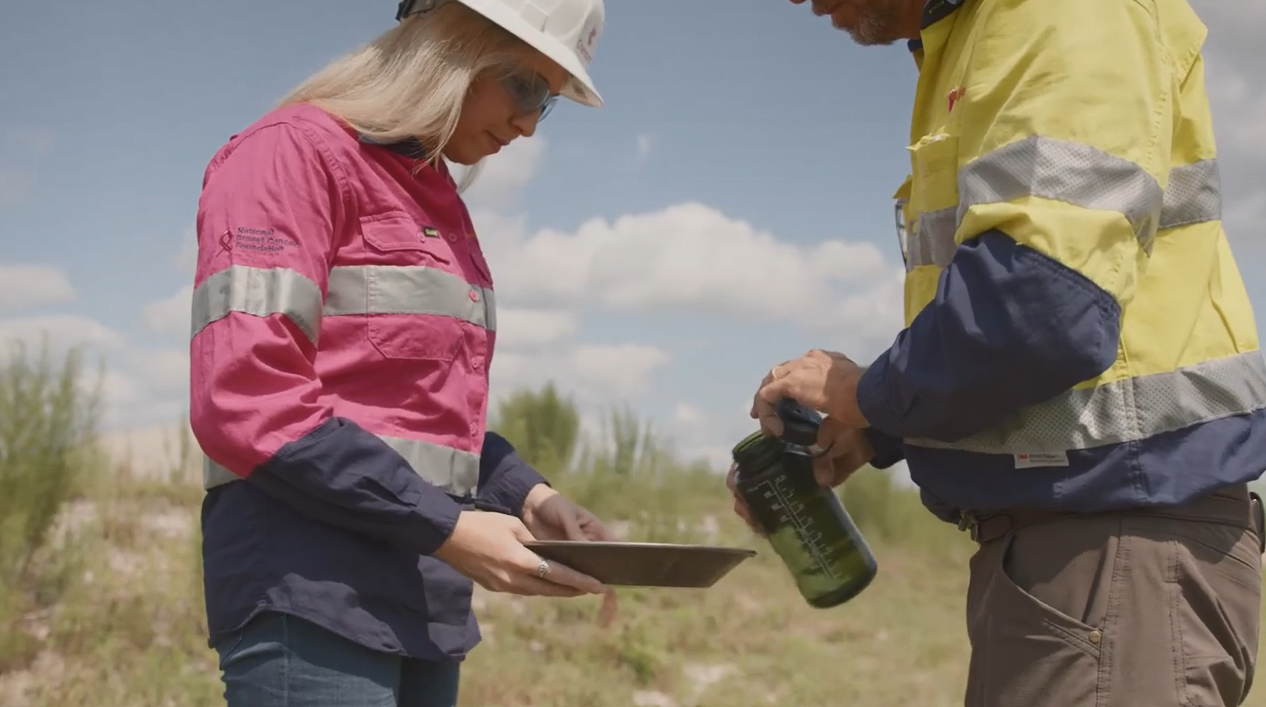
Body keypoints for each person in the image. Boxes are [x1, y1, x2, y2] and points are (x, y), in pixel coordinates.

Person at [733, 0, 1266, 705]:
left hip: (1113, 554)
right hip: (1085, 563)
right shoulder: (979, 37)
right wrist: (881, 424)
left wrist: (863, 393)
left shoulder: (1060, 12)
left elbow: (1047, 306)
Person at [187, 1, 612, 705]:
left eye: (550, 102)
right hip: (312, 590)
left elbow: (419, 415)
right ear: (450, 41)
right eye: (528, 87)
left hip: (422, 597)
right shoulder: (290, 154)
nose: (531, 123)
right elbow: (247, 397)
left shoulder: (434, 195)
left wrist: (533, 497)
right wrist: (446, 526)